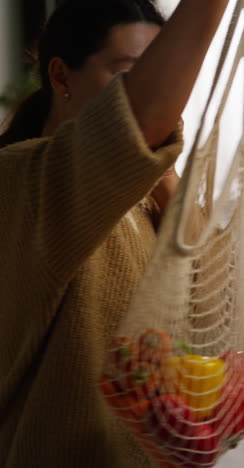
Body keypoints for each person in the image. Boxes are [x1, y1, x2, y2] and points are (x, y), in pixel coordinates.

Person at [0, 0, 230, 467]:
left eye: (155, 80)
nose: (162, 99)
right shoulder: (18, 181)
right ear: (61, 77)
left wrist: (162, 172)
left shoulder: (147, 193)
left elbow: (211, 304)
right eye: (127, 78)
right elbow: (132, 126)